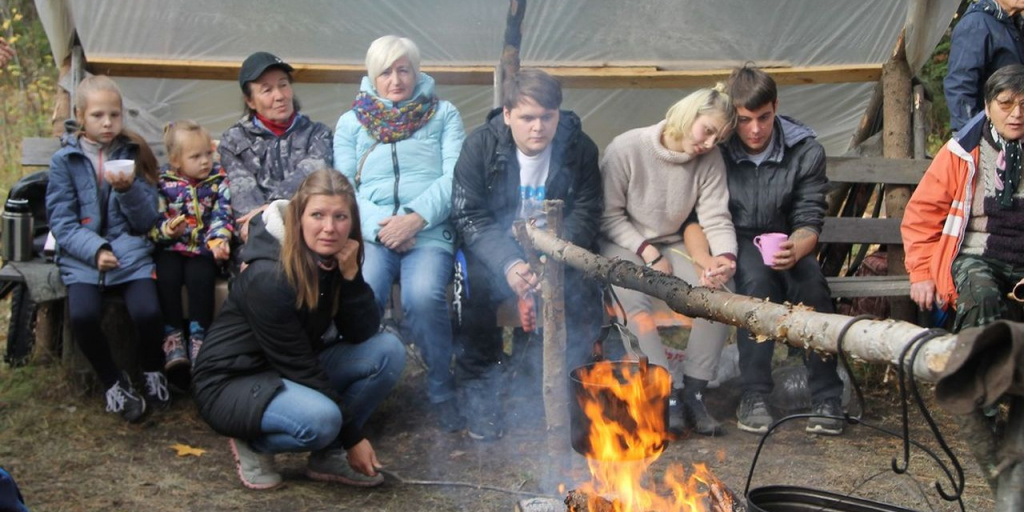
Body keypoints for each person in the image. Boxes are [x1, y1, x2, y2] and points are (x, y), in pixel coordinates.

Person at [192, 169, 406, 490]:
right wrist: (353, 438)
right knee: (323, 420)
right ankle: (253, 443)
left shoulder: (330, 257)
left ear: (352, 222)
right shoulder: (269, 275)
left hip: (288, 369)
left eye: (340, 217)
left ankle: (326, 456)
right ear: (298, 216)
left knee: (388, 351)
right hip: (233, 382)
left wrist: (351, 278)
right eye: (317, 215)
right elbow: (299, 365)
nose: (329, 228)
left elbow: (361, 333)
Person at [451, 69, 604, 441]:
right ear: (507, 114)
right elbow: (469, 214)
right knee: (471, 294)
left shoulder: (579, 148)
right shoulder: (480, 147)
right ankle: (481, 397)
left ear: (558, 114)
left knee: (582, 294)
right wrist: (510, 263)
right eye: (527, 118)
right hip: (498, 248)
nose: (538, 128)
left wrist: (551, 258)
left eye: (547, 117)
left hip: (559, 249)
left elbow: (587, 211)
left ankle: (570, 392)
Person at [333, 35, 466, 432]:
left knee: (422, 296)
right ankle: (362, 386)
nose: (396, 79)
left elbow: (454, 177)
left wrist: (415, 217)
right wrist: (381, 226)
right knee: (364, 292)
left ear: (417, 71)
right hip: (374, 233)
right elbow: (345, 189)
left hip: (427, 230)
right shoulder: (350, 122)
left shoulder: (444, 114)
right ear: (372, 77)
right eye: (386, 72)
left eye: (403, 69)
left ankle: (441, 387)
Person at [599, 85, 738, 436]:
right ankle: (662, 394)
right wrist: (648, 252)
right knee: (632, 297)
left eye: (717, 139)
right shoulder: (627, 148)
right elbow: (609, 217)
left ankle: (693, 390)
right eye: (707, 131)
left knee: (717, 294)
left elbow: (715, 217)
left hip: (674, 240)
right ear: (688, 115)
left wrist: (723, 257)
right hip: (626, 241)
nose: (709, 144)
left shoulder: (709, 161)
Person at [720, 65, 845, 436]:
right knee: (756, 286)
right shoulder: (720, 149)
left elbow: (810, 216)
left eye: (763, 117)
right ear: (732, 115)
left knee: (812, 288)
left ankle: (827, 395)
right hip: (739, 239)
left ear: (776, 106)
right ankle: (755, 394)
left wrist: (799, 246)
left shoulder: (805, 150)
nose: (755, 129)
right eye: (744, 120)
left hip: (790, 238)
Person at [45, 75, 168, 421]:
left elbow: (146, 221)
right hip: (82, 258)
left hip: (130, 256)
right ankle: (113, 382)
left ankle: (152, 370)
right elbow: (62, 223)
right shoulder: (64, 161)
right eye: (98, 115)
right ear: (81, 116)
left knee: (147, 312)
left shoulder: (133, 152)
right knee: (82, 316)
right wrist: (95, 250)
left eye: (114, 115)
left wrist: (128, 191)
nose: (108, 123)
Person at [904, 64, 1024, 332]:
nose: (1017, 114)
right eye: (1005, 104)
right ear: (987, 106)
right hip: (977, 255)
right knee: (981, 297)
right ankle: (974, 372)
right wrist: (921, 273)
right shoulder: (962, 153)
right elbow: (922, 216)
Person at [219, 51, 333, 242]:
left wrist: (273, 209)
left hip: (308, 236)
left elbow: (314, 180)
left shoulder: (318, 134)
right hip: (258, 237)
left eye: (283, 85)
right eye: (267, 90)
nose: (280, 95)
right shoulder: (234, 140)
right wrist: (268, 219)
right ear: (250, 101)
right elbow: (244, 200)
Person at [150, 120, 234, 373]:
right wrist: (167, 230)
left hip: (203, 249)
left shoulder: (218, 180)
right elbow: (155, 220)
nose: (205, 161)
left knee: (201, 275)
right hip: (171, 247)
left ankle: (199, 336)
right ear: (176, 160)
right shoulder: (163, 183)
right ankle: (172, 335)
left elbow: (222, 214)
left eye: (208, 153)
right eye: (195, 156)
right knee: (167, 274)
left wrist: (219, 240)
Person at [944, 0, 1024, 132]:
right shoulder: (976, 24)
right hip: (988, 138)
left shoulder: (1013, 24)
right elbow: (960, 87)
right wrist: (971, 136)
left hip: (1012, 131)